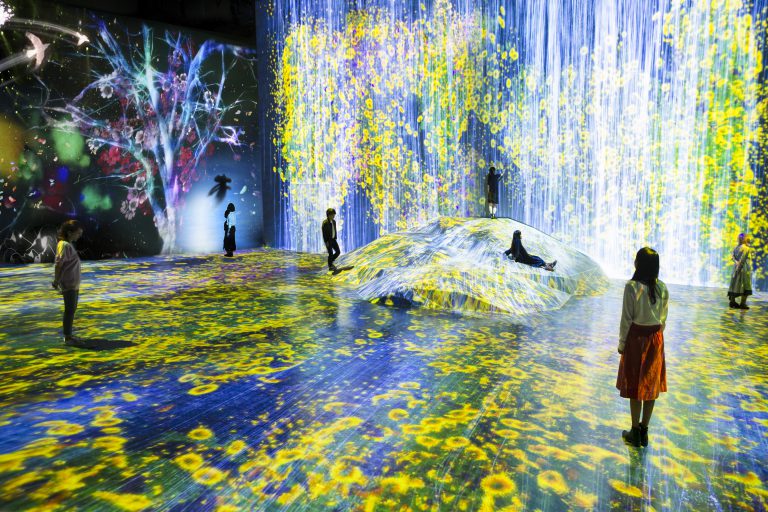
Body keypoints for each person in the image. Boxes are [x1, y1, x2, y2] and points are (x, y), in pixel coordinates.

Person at [616, 247, 669, 448]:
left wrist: (622, 344)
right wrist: (656, 335)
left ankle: (634, 432)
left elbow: (626, 319)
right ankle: (644, 431)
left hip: (636, 339)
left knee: (635, 386)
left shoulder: (632, 287)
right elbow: (663, 320)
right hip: (656, 339)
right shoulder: (663, 288)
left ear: (638, 264)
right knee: (650, 385)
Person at [52, 220, 85, 346]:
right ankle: (67, 337)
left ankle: (69, 335)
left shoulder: (68, 245)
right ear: (70, 232)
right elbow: (58, 264)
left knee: (72, 309)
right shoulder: (64, 245)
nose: (79, 236)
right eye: (78, 233)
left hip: (73, 283)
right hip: (69, 283)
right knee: (70, 309)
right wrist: (56, 280)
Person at [728, 233, 752, 309]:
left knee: (734, 284)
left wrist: (736, 263)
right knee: (745, 285)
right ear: (746, 239)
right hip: (743, 269)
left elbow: (732, 257)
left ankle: (732, 302)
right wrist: (739, 268)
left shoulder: (736, 247)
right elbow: (742, 260)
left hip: (735, 268)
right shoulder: (746, 248)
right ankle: (742, 303)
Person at [322, 208, 340, 272]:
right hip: (328, 240)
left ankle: (330, 262)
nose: (334, 216)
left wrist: (335, 237)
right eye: (333, 215)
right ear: (329, 215)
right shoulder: (325, 223)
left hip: (333, 239)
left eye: (334, 215)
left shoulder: (334, 221)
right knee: (331, 253)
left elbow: (334, 230)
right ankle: (330, 266)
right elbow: (324, 233)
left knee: (338, 252)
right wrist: (326, 241)